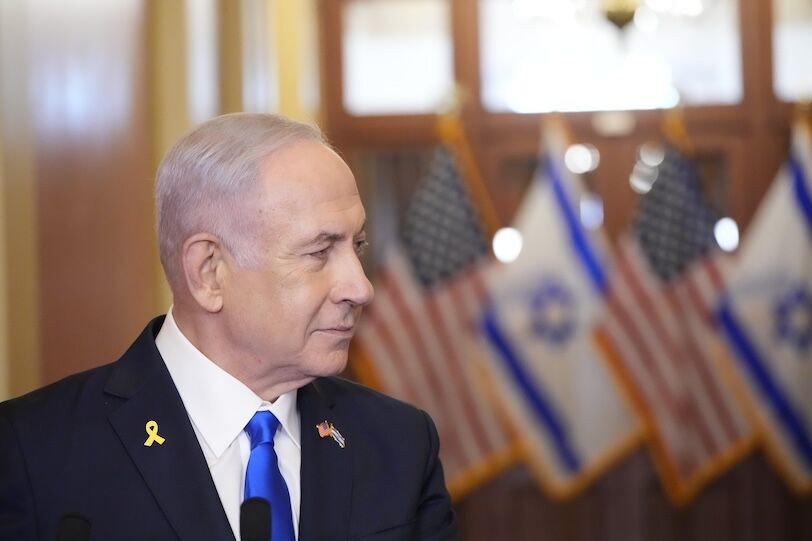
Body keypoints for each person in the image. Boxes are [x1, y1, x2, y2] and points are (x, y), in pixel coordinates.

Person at [0, 113, 458, 541]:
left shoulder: (400, 443)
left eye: (356, 246)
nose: (360, 287)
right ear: (209, 272)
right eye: (320, 252)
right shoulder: (31, 452)